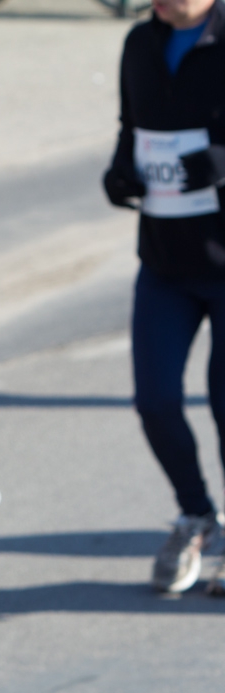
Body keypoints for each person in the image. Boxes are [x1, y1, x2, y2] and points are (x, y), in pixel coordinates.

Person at [102, 0, 225, 594]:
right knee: (154, 401)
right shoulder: (140, 43)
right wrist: (120, 169)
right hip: (165, 262)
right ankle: (196, 514)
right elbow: (133, 127)